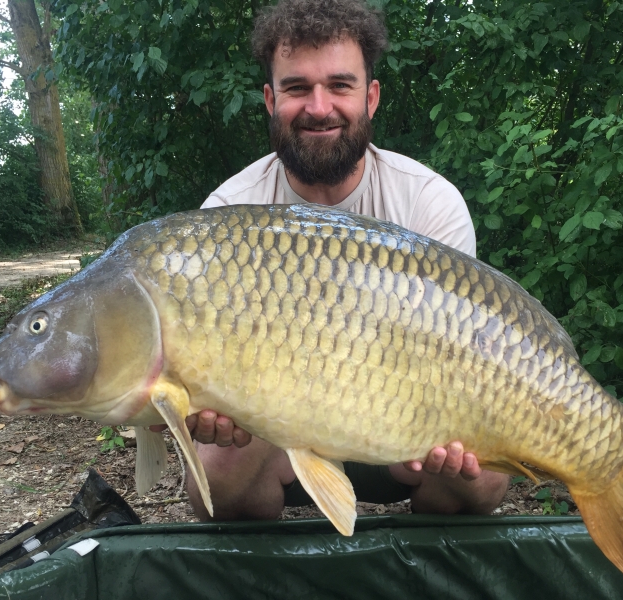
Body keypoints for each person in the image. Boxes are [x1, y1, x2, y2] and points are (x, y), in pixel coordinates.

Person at [155, 0, 509, 522]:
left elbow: (463, 356)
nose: (319, 107)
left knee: (483, 477)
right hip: (276, 441)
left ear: (371, 97)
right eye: (298, 88)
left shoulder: (427, 201)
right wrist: (206, 409)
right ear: (271, 100)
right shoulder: (228, 214)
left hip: (403, 437)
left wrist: (454, 423)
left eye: (340, 86)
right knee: (216, 476)